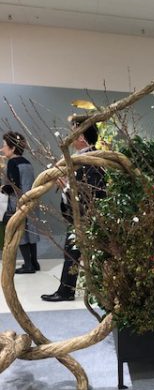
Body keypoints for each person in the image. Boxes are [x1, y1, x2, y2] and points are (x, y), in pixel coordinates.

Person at [41, 116, 105, 302]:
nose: (69, 137)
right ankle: (67, 290)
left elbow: (91, 193)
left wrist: (67, 188)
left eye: (73, 132)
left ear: (82, 136)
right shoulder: (79, 159)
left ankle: (70, 291)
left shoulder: (91, 160)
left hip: (89, 218)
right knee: (72, 252)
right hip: (81, 217)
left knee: (75, 252)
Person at [1, 131, 40, 273]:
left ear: (12, 148)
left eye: (4, 145)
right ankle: (34, 262)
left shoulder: (12, 163)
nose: (2, 149)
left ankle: (28, 265)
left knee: (21, 232)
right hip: (31, 201)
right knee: (31, 231)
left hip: (19, 203)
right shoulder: (27, 163)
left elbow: (13, 187)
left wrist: (2, 187)